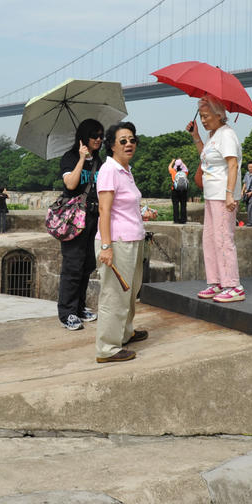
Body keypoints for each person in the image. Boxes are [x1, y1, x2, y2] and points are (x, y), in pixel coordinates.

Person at [94, 121, 149, 363]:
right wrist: (106, 247)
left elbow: (125, 206)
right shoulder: (109, 170)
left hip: (133, 238)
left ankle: (125, 333)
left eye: (132, 140)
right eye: (123, 140)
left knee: (130, 290)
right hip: (116, 242)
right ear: (112, 145)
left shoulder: (125, 170)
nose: (129, 144)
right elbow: (104, 210)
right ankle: (107, 348)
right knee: (114, 295)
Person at [189, 96, 245, 302]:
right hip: (211, 195)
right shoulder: (214, 135)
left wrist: (230, 194)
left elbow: (232, 164)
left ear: (219, 115)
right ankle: (217, 282)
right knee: (210, 239)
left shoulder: (227, 134)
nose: (203, 120)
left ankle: (234, 285)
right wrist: (196, 136)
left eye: (206, 116)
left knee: (223, 239)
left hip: (223, 196)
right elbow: (206, 158)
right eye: (201, 117)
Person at [57, 119, 105, 331]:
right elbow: (70, 184)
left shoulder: (100, 160)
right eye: (94, 135)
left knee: (87, 264)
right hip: (75, 218)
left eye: (101, 135)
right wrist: (82, 158)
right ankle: (67, 313)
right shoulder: (70, 157)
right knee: (73, 266)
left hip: (94, 217)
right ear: (84, 137)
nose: (99, 139)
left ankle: (79, 307)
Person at [168, 156, 190, 224]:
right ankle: (183, 220)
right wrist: (181, 161)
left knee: (175, 205)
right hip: (184, 190)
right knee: (183, 205)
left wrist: (172, 161)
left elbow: (169, 167)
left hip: (175, 190)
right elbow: (186, 168)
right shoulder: (185, 172)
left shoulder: (173, 171)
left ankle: (176, 220)